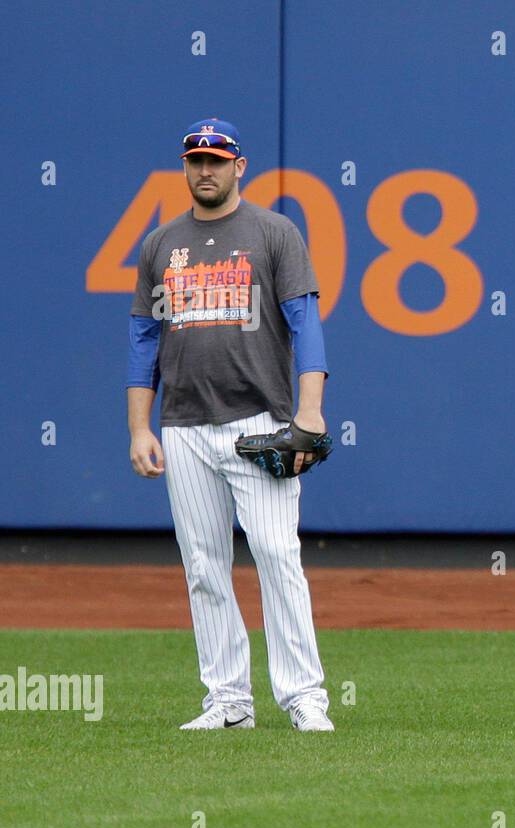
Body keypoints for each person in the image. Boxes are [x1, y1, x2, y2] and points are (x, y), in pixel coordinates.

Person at [127, 118, 335, 732]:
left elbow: (305, 324)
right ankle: (228, 700)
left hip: (259, 421)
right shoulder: (161, 244)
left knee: (276, 554)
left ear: (239, 165)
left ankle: (304, 696)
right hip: (184, 425)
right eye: (196, 160)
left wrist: (311, 408)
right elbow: (143, 341)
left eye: (217, 159)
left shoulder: (273, 232)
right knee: (203, 565)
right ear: (184, 168)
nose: (206, 169)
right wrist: (141, 429)